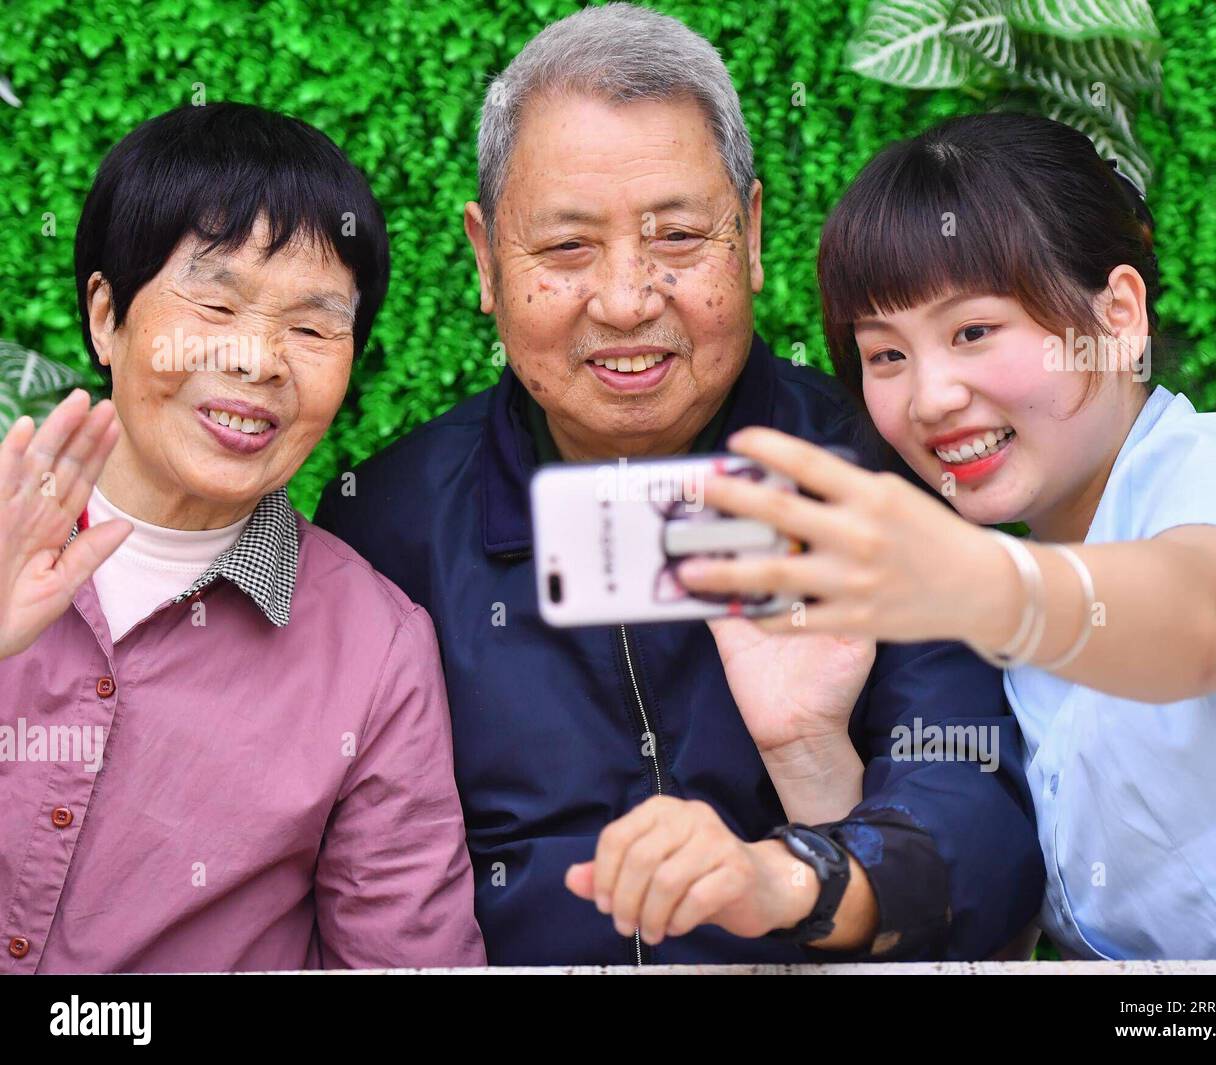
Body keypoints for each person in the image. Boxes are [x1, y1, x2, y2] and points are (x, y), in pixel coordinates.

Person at [315, 4, 1044, 964]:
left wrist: (806, 764)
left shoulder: (881, 475)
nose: (625, 300)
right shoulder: (389, 520)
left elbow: (986, 860)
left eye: (677, 237)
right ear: (487, 259)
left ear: (748, 231)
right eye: (567, 248)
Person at [653, 112, 1216, 959]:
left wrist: (979, 584)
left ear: (1117, 314)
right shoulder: (1008, 622)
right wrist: (805, 740)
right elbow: (937, 951)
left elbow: (1207, 614)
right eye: (885, 356)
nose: (930, 398)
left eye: (973, 333)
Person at [0, 103, 485, 973]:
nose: (259, 360)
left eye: (309, 326)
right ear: (106, 315)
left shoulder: (373, 652)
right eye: (215, 303)